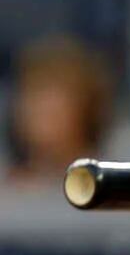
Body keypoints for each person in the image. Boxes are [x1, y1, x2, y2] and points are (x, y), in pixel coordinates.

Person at [4, 37, 114, 188]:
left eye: (55, 99)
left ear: (87, 108)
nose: (43, 111)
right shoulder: (9, 190)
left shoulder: (111, 186)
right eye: (35, 96)